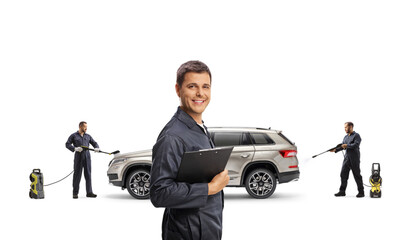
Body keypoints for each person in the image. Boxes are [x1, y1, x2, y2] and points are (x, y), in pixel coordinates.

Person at [150, 60, 229, 240]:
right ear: (178, 90)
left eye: (206, 86)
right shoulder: (172, 137)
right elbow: (159, 193)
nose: (200, 93)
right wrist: (210, 188)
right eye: (192, 86)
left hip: (206, 228)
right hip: (187, 233)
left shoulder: (198, 127)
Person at [65, 121, 100, 199]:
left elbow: (94, 143)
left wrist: (96, 147)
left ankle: (89, 192)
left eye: (86, 127)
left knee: (88, 174)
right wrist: (74, 148)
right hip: (78, 157)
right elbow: (67, 144)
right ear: (80, 127)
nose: (86, 128)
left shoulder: (88, 136)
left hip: (87, 157)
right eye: (85, 127)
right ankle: (75, 193)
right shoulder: (73, 135)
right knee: (77, 175)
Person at [332, 122, 364, 198]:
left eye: (346, 127)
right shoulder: (345, 137)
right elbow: (342, 146)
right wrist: (335, 149)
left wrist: (347, 145)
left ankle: (361, 192)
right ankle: (342, 191)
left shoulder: (356, 135)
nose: (345, 129)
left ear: (351, 127)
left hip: (354, 158)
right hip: (347, 159)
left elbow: (356, 145)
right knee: (343, 174)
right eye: (344, 127)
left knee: (357, 175)